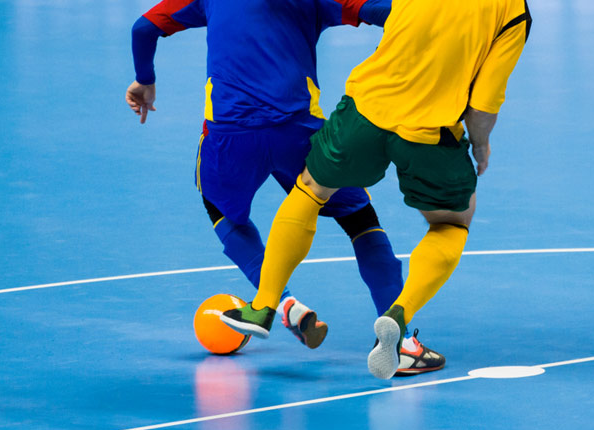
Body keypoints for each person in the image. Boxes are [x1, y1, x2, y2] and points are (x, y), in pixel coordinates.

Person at [126, 0, 446, 375]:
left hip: (231, 137)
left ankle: (280, 304)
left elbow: (143, 29)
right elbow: (387, 12)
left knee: (222, 211)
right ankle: (402, 343)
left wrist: (145, 80)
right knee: (360, 219)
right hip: (299, 133)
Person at [221, 0, 532, 379]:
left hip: (364, 112)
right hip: (429, 132)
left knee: (309, 190)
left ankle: (263, 304)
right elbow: (483, 105)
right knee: (451, 223)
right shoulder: (513, 12)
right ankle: (398, 319)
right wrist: (480, 144)